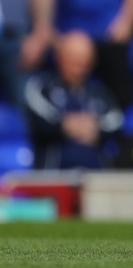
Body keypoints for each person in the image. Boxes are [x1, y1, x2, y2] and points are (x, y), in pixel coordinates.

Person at [26, 31, 123, 169]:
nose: (79, 69)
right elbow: (40, 121)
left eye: (85, 63)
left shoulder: (99, 94)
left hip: (95, 178)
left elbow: (116, 122)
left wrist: (95, 129)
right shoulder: (42, 88)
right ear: (59, 58)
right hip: (53, 178)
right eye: (74, 62)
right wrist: (65, 126)